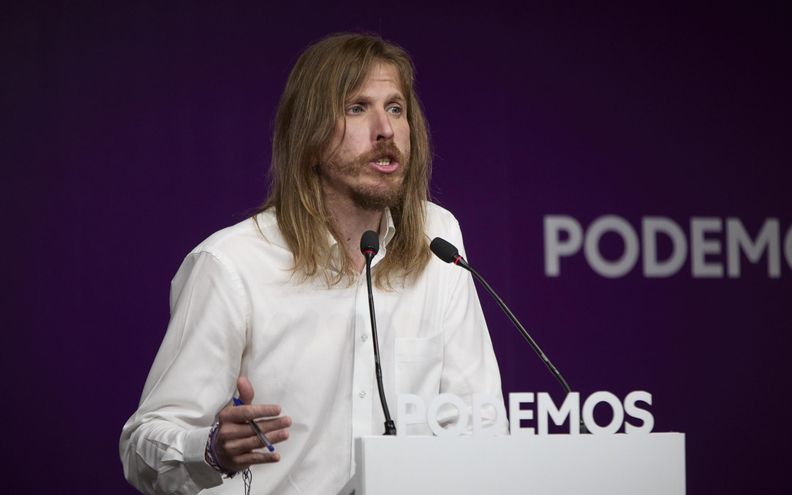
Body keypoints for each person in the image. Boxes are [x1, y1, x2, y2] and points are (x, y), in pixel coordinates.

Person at [120, 33, 506, 495]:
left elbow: (478, 421)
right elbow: (142, 445)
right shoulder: (232, 264)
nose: (385, 129)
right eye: (357, 108)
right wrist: (210, 450)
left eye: (395, 108)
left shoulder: (436, 238)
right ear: (309, 135)